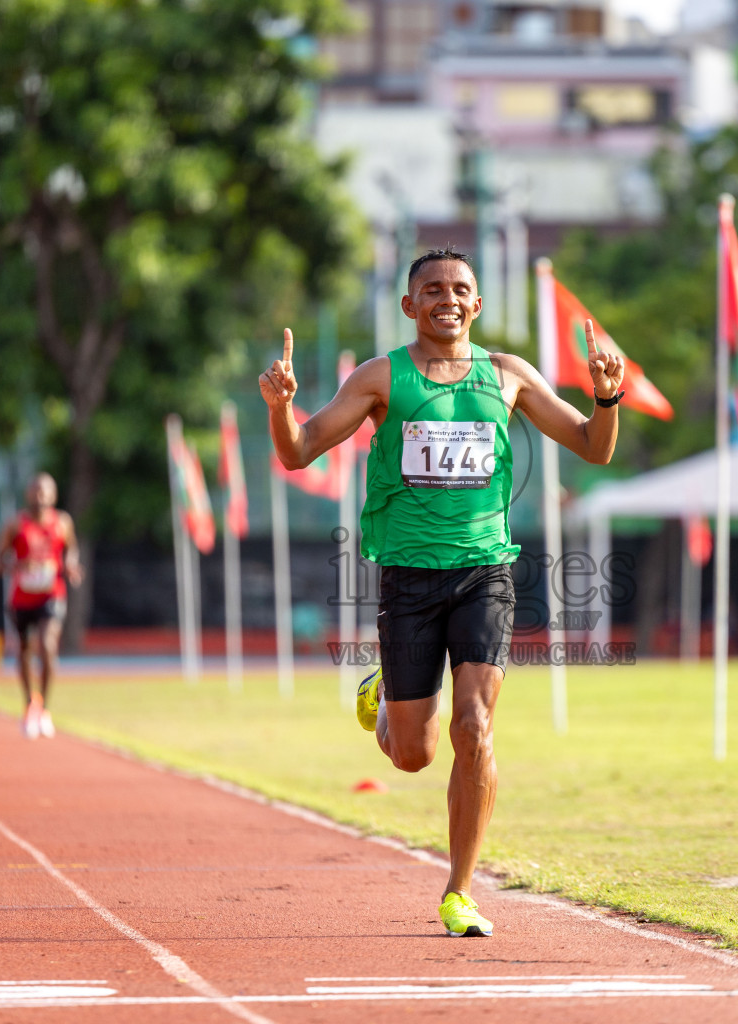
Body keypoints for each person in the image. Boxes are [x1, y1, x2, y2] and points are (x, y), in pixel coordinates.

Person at [260, 247, 624, 938]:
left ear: (477, 305)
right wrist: (282, 408)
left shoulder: (509, 375)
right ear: (410, 306)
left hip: (485, 572)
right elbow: (298, 450)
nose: (447, 299)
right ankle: (385, 700)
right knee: (413, 753)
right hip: (408, 575)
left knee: (474, 728)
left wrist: (607, 397)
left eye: (460, 289)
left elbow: (593, 446)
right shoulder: (382, 379)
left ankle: (460, 891)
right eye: (432, 290)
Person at [0, 473, 82, 739]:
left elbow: (71, 550)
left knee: (48, 646)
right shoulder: (15, 525)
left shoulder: (62, 522)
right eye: (35, 491)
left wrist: (71, 565)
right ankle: (29, 704)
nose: (39, 496)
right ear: (27, 494)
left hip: (51, 594)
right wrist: (18, 566)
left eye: (44, 492)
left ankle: (45, 709)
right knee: (24, 651)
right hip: (21, 597)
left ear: (53, 495)